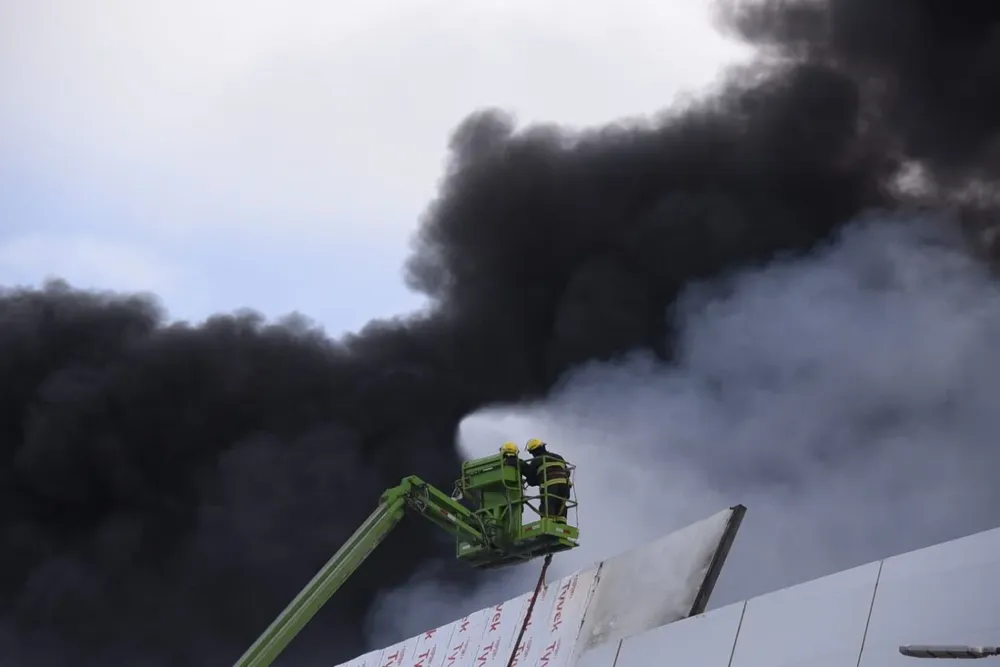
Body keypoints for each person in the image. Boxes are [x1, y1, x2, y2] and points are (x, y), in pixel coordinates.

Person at [521, 438, 571, 522]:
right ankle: (561, 526)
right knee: (561, 506)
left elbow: (531, 481)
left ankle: (548, 528)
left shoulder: (536, 461)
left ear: (533, 451)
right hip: (565, 487)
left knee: (547, 507)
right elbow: (567, 472)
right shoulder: (558, 457)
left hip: (551, 488)